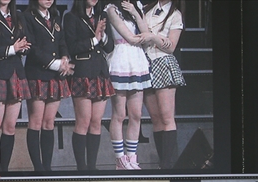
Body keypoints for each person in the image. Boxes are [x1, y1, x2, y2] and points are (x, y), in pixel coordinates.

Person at [0, 0, 32, 173]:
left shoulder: (18, 16)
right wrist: (12, 49)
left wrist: (23, 48)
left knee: (10, 126)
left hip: (15, 72)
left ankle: (5, 170)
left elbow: (27, 42)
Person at [22, 0, 72, 172]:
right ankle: (38, 168)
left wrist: (64, 58)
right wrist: (55, 64)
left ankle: (47, 168)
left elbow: (62, 41)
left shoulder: (55, 16)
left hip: (55, 76)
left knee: (49, 122)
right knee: (36, 122)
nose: (48, 0)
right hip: (37, 74)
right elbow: (32, 47)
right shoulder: (27, 17)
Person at [64, 0, 114, 171]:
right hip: (82, 73)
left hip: (100, 73)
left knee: (96, 122)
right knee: (83, 121)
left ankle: (92, 167)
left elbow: (110, 46)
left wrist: (103, 35)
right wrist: (94, 39)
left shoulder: (102, 15)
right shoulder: (71, 17)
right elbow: (72, 47)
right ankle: (81, 168)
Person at [105, 0, 154, 169]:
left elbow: (146, 33)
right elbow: (131, 37)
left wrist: (134, 12)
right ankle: (120, 159)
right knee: (119, 114)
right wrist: (146, 37)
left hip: (137, 61)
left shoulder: (136, 6)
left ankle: (132, 157)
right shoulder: (111, 9)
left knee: (136, 114)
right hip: (120, 60)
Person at [144, 0, 186, 168]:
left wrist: (153, 37)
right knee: (155, 118)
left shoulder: (175, 15)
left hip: (163, 63)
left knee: (166, 116)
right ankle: (162, 163)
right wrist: (159, 39)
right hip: (146, 63)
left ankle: (167, 165)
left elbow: (170, 47)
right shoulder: (146, 9)